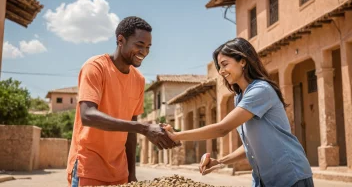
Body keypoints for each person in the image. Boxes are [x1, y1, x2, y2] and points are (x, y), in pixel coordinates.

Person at [164, 38, 314, 187]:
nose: (221, 71)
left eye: (224, 64)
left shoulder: (260, 90)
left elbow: (222, 129)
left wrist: (177, 136)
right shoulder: (240, 98)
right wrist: (219, 162)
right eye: (219, 67)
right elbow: (250, 145)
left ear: (242, 61)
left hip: (290, 176)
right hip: (264, 179)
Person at [67, 16, 177, 187]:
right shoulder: (95, 67)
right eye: (139, 45)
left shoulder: (138, 80)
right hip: (89, 169)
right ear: (120, 40)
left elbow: (130, 133)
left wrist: (131, 174)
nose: (144, 52)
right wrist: (145, 128)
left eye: (148, 47)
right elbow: (88, 115)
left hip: (120, 173)